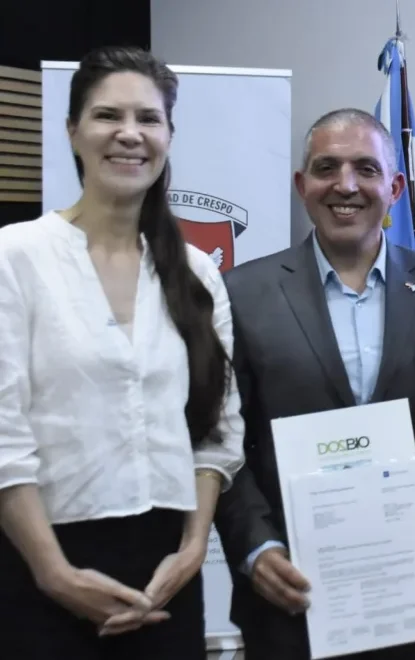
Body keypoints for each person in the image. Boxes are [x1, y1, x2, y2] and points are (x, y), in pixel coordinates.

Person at [0, 46, 244, 660]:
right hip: (43, 566)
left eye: (148, 118)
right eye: (108, 115)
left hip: (169, 572)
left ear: (168, 136)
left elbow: (218, 428)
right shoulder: (15, 256)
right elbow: (3, 434)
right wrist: (54, 573)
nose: (129, 134)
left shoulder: (196, 272)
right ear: (72, 131)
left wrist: (193, 550)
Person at [211, 108, 415, 660]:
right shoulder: (240, 293)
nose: (346, 185)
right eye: (326, 167)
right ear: (301, 185)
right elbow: (223, 440)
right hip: (292, 593)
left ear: (396, 187)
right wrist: (255, 546)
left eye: (366, 168)